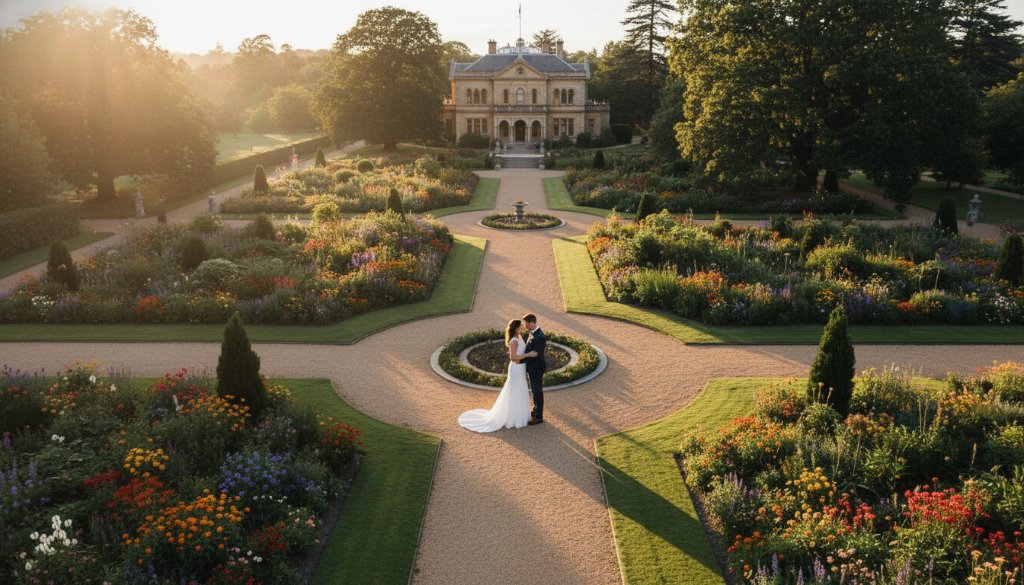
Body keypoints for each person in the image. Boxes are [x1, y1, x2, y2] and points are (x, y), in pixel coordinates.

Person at [458, 319, 537, 432]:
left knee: (520, 390)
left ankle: (518, 415)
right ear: (516, 328)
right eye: (521, 326)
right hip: (516, 368)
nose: (523, 327)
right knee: (515, 391)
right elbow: (513, 358)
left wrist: (518, 352)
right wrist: (528, 354)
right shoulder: (514, 340)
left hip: (520, 368)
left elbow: (516, 353)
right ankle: (513, 418)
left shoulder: (519, 337)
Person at [521, 313, 547, 425]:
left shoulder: (540, 336)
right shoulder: (532, 333)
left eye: (526, 323)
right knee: (535, 391)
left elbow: (536, 354)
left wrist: (521, 360)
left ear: (532, 322)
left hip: (536, 368)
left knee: (537, 391)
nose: (525, 325)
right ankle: (535, 410)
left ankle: (539, 416)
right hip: (532, 367)